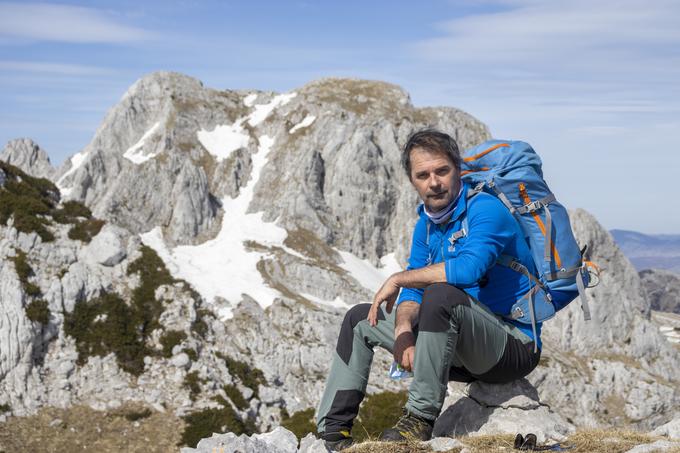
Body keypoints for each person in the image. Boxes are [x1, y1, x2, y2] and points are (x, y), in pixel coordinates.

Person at [316, 129, 542, 451]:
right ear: (413, 181)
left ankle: (418, 421)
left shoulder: (486, 210)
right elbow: (414, 292)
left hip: (511, 347)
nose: (433, 182)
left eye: (442, 171)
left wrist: (399, 279)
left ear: (458, 170)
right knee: (359, 320)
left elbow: (469, 268)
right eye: (423, 175)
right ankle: (333, 434)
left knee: (441, 294)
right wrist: (404, 328)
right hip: (456, 346)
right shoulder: (426, 223)